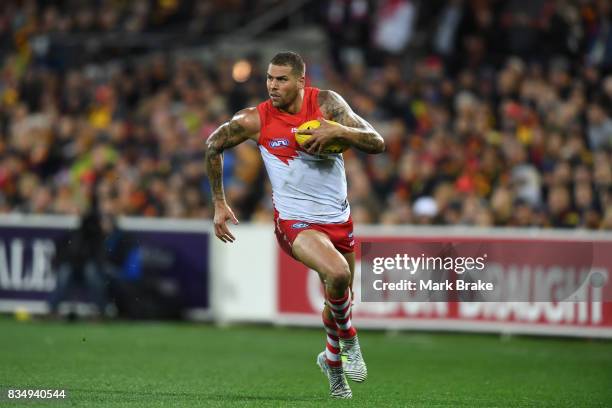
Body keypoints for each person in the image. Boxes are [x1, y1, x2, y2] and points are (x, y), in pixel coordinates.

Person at [205, 51, 385, 399]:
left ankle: (331, 363)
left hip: (338, 219)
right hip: (294, 222)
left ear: (301, 81)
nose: (273, 85)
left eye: (281, 79)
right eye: (270, 78)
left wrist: (340, 131)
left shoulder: (328, 104)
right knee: (338, 275)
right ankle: (350, 343)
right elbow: (213, 145)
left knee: (340, 296)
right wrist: (219, 202)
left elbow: (377, 143)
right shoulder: (255, 120)